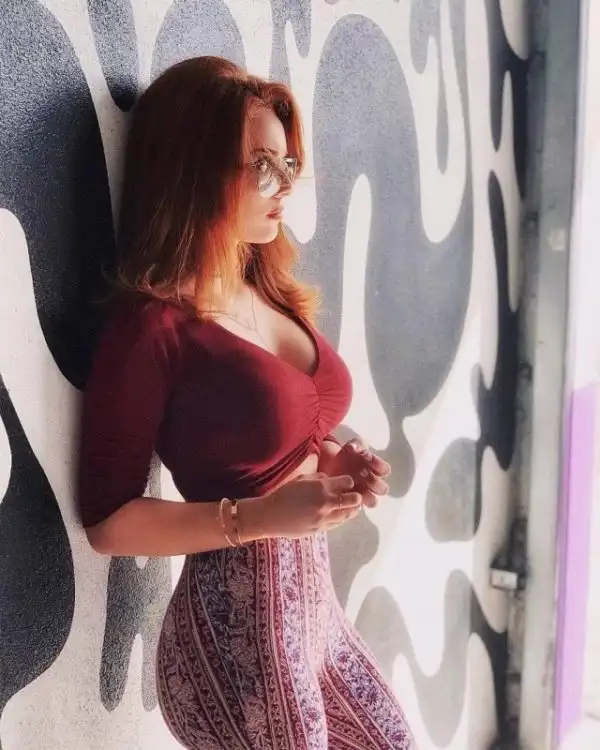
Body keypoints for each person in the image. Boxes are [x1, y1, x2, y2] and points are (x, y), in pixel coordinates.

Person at [78, 56, 414, 750]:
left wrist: (328, 459)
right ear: (195, 170)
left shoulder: (266, 288)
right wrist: (257, 516)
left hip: (315, 621)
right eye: (262, 166)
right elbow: (109, 524)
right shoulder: (153, 327)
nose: (285, 185)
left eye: (288, 164)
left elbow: (272, 436)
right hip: (237, 641)